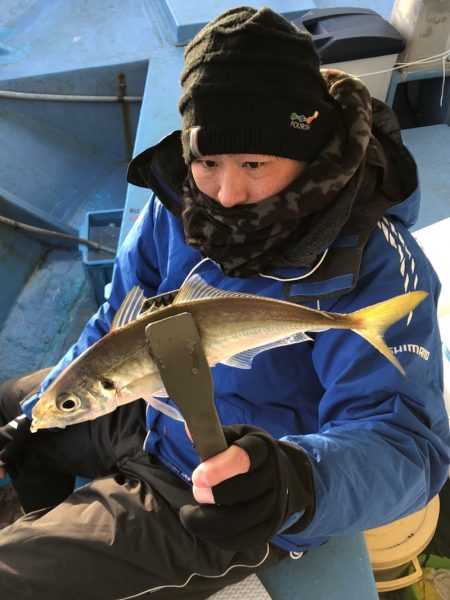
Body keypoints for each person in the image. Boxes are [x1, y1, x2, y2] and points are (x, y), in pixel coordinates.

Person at [0, 6, 448, 599]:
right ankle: (50, 502)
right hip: (149, 407)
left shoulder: (378, 265)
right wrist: (40, 406)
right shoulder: (177, 203)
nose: (228, 196)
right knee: (16, 407)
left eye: (255, 164)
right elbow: (115, 322)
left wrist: (293, 480)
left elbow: (406, 442)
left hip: (229, 483)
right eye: (208, 161)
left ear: (310, 150)